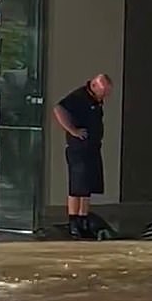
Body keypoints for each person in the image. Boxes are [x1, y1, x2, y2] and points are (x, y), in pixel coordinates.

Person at [53, 73, 112, 239]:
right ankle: (74, 222)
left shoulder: (95, 100)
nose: (105, 96)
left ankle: (83, 219)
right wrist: (72, 130)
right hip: (78, 148)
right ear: (94, 86)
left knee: (88, 186)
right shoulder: (78, 97)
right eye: (104, 92)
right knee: (77, 185)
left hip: (92, 147)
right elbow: (58, 109)